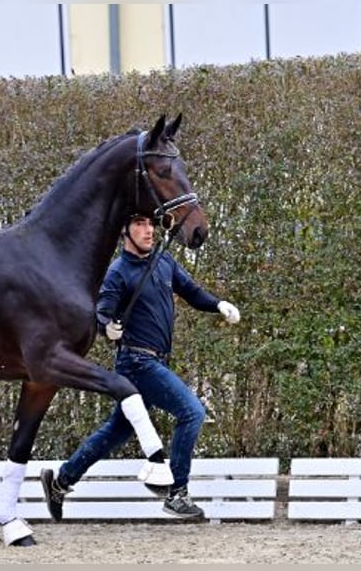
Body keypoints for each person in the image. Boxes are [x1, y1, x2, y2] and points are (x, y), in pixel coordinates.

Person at [41, 213, 240, 520]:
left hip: (155, 360)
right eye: (140, 225)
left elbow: (192, 292)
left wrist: (217, 304)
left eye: (150, 225)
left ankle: (61, 482)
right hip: (136, 362)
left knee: (117, 431)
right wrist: (108, 327)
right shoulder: (118, 272)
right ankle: (177, 494)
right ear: (125, 232)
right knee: (192, 412)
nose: (148, 231)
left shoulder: (164, 263)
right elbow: (101, 312)